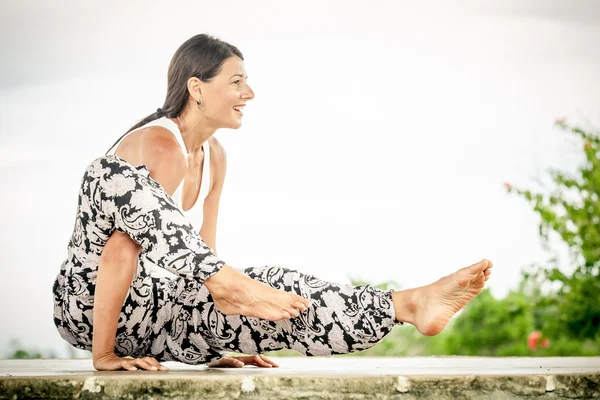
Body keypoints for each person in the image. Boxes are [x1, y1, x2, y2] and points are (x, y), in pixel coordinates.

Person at [52, 33, 493, 372]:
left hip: (156, 315)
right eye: (237, 81)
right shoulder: (159, 146)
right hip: (91, 311)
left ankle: (406, 305)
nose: (250, 93)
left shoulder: (215, 157)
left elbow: (201, 259)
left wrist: (216, 340)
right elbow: (117, 253)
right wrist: (103, 352)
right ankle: (234, 287)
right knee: (105, 174)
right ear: (197, 88)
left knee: (275, 285)